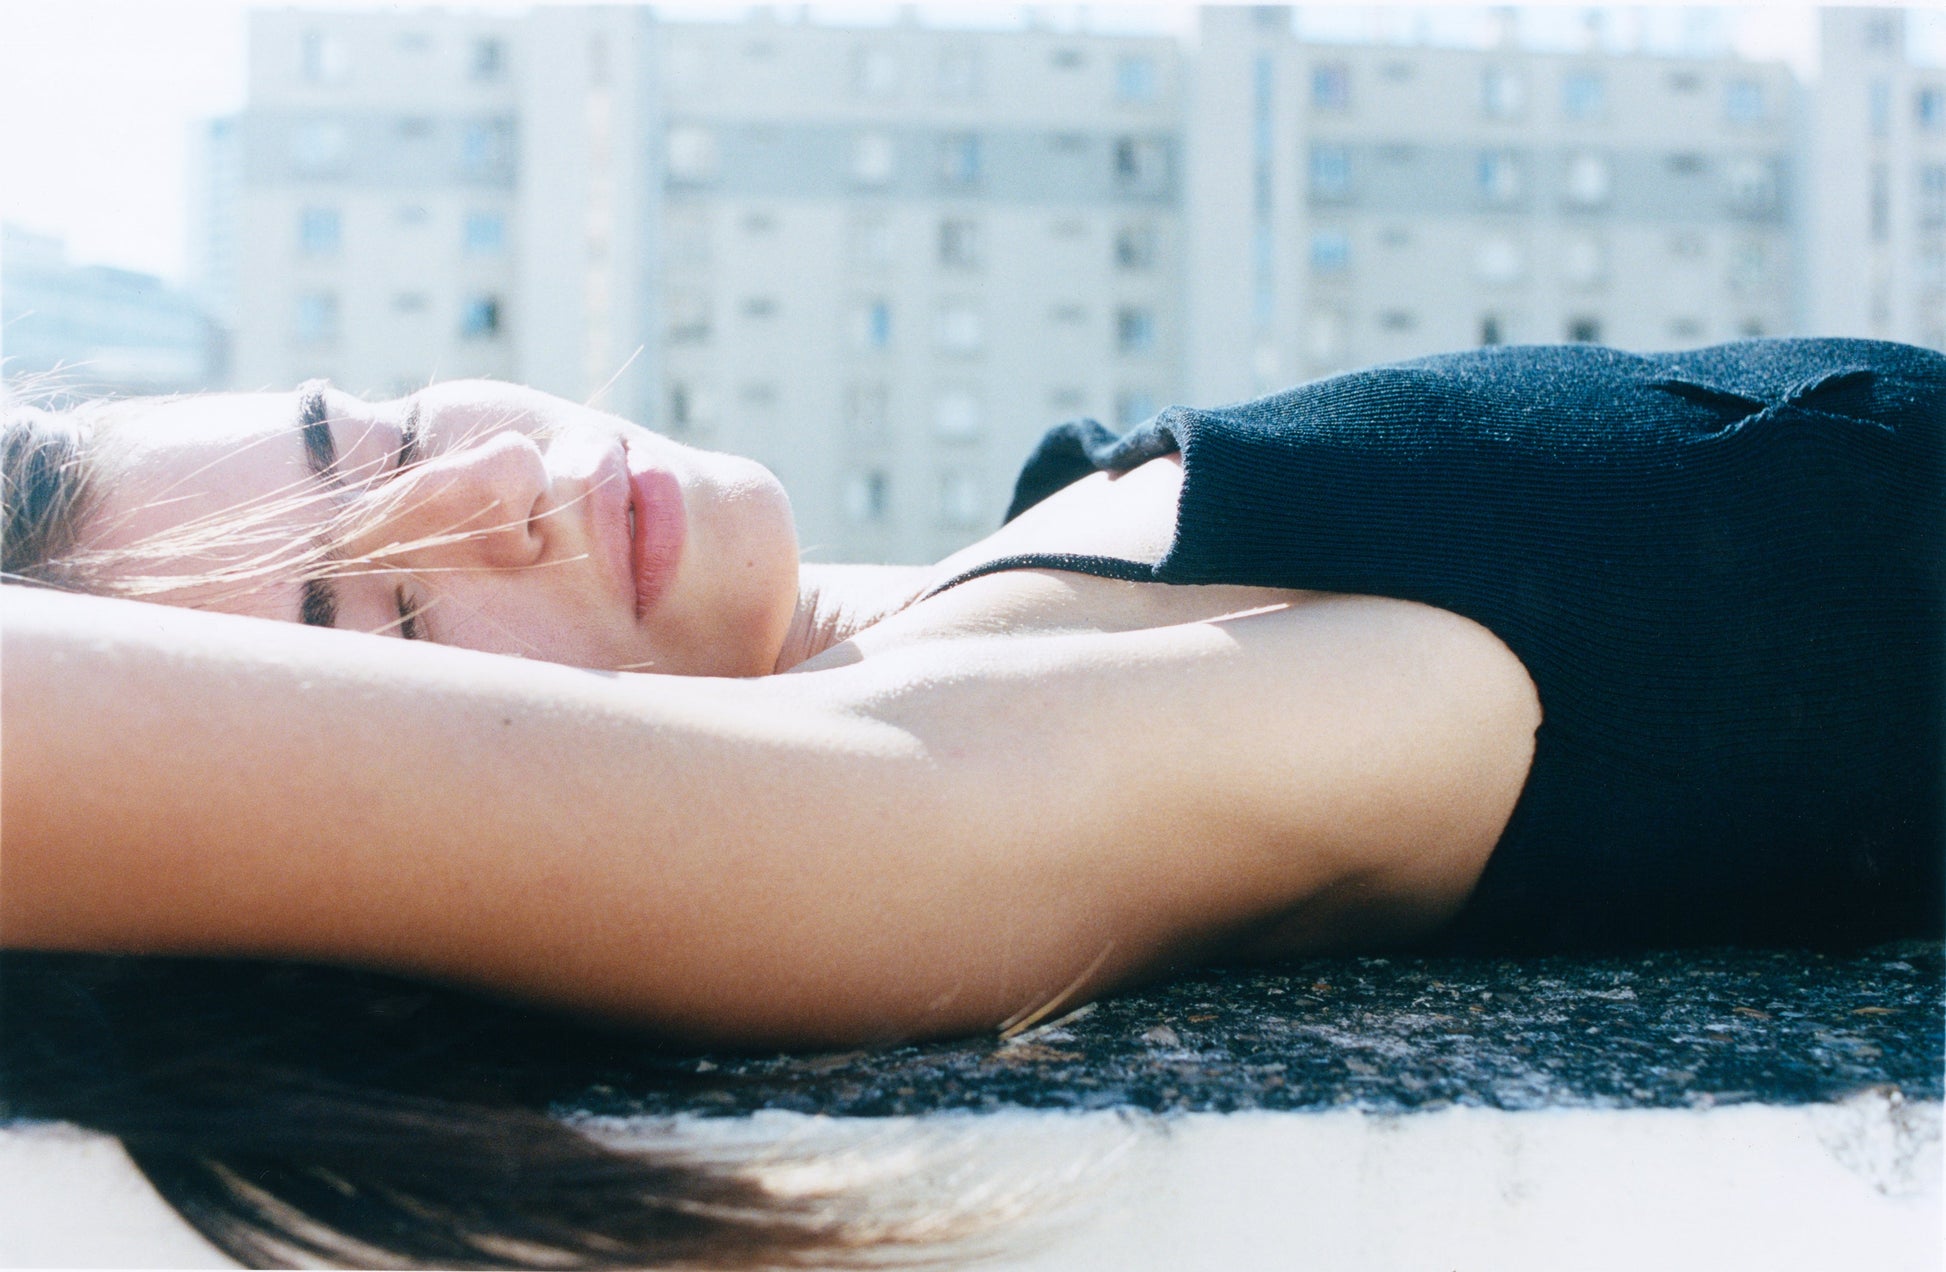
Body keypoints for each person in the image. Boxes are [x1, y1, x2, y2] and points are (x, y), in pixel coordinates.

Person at [4, 337, 1941, 1268]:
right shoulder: (952, 765)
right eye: (391, 622)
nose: (493, 489)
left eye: (373, 433)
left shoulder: (1005, 569)